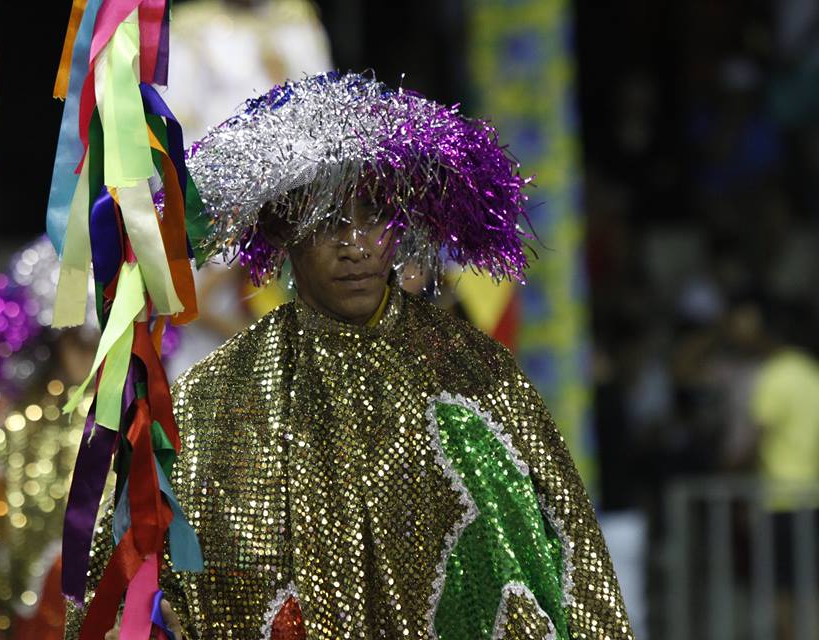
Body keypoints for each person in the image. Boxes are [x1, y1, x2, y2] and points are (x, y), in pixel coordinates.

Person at [68, 72, 633, 639]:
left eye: (375, 216)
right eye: (328, 223)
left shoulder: (477, 375)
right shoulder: (212, 402)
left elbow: (573, 568)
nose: (356, 246)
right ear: (282, 228)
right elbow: (118, 590)